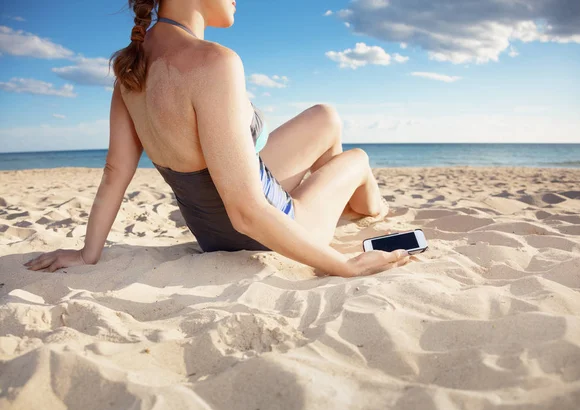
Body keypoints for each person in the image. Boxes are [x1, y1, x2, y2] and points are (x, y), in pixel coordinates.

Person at [23, 0, 411, 277]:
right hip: (263, 233)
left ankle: (341, 210)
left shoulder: (131, 68)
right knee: (357, 160)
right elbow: (246, 211)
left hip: (211, 234)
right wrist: (341, 265)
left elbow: (115, 171)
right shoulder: (214, 62)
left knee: (326, 118)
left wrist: (87, 254)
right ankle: (368, 213)